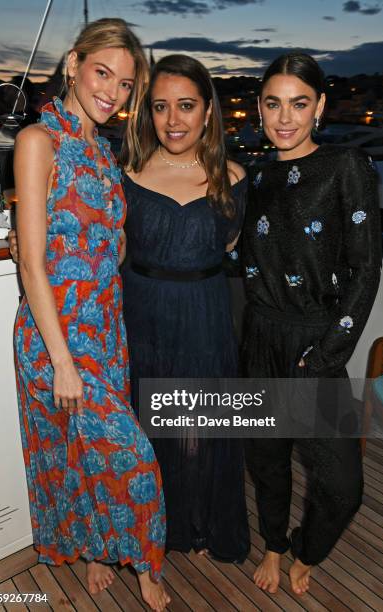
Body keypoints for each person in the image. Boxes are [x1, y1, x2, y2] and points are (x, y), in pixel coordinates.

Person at [13, 18, 170, 611]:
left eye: (127, 84)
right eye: (103, 73)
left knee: (90, 456)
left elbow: (107, 240)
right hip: (56, 338)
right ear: (73, 63)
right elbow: (32, 265)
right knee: (128, 459)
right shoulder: (38, 141)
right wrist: (61, 362)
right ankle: (146, 565)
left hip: (104, 330)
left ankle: (103, 552)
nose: (113, 91)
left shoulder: (104, 151)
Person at [242, 52, 382, 596]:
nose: (284, 118)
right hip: (260, 336)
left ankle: (306, 550)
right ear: (259, 107)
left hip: (317, 340)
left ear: (319, 106)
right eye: (273, 104)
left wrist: (326, 354)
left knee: (343, 484)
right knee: (268, 460)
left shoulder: (347, 167)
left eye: (298, 104)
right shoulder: (253, 176)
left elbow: (367, 271)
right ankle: (275, 544)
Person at [120, 54, 250, 561]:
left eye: (186, 106)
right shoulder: (125, 173)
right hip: (142, 313)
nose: (173, 120)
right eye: (160, 107)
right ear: (146, 112)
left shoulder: (235, 179)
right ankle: (159, 528)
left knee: (199, 428)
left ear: (207, 111)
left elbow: (233, 243)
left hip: (204, 313)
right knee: (148, 426)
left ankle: (200, 524)